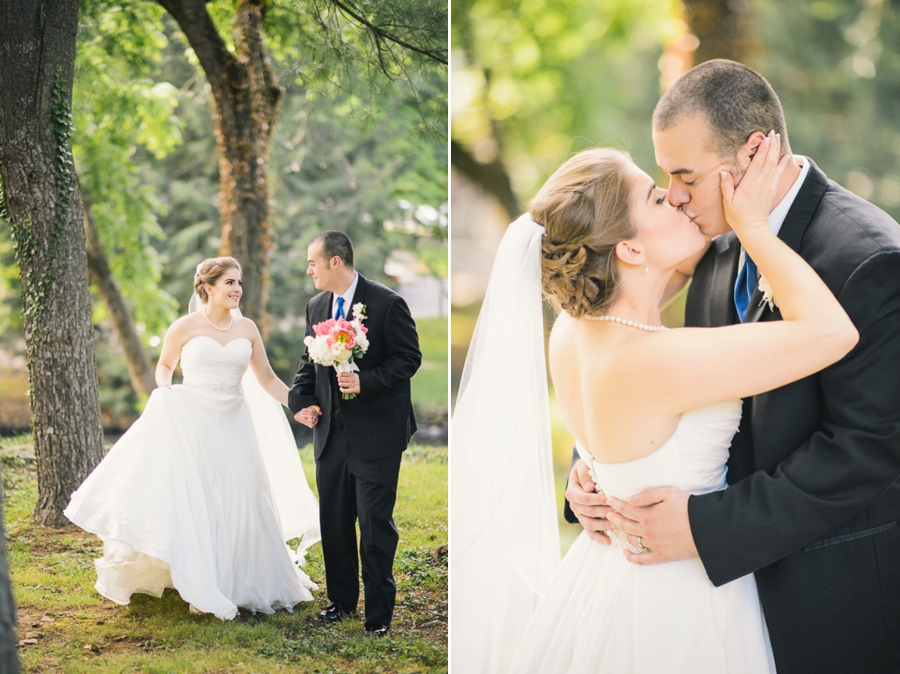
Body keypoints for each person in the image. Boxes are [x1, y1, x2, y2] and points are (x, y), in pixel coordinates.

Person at [450, 133, 860, 672]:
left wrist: (587, 474)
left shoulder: (573, 331)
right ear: (630, 249)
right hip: (681, 596)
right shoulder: (657, 360)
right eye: (657, 198)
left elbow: (665, 277)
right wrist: (753, 226)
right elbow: (831, 334)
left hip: (602, 576)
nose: (678, 198)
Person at [566, 60, 900, 674]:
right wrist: (600, 470)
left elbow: (869, 449)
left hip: (827, 598)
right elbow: (629, 347)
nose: (675, 196)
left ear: (752, 152)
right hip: (714, 608)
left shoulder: (869, 260)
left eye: (684, 175)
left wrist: (707, 527)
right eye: (665, 177)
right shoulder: (710, 244)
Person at [65, 256, 321, 620]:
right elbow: (164, 366)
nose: (237, 290)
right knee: (199, 497)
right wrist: (166, 389)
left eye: (239, 282)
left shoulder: (247, 328)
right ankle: (200, 574)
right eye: (230, 283)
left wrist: (296, 407)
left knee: (241, 494)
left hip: (233, 423)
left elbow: (266, 378)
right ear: (209, 288)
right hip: (193, 422)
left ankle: (244, 578)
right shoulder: (184, 327)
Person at [290, 231, 421, 638]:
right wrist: (300, 401)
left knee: (375, 525)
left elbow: (409, 359)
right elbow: (308, 366)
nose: (308, 270)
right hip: (331, 435)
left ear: (334, 262)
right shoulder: (316, 306)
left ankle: (379, 614)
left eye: (313, 262)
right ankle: (341, 601)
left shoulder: (386, 303)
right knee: (335, 521)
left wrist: (367, 381)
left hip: (377, 435)